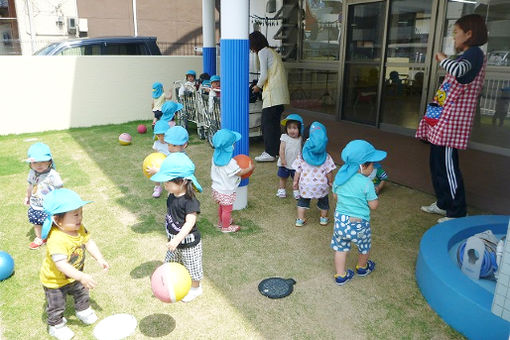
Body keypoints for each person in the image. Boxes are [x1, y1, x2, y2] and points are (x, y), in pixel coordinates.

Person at [416, 14, 487, 223]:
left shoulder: (474, 54)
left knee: (448, 167)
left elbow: (457, 71)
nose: (454, 37)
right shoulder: (466, 55)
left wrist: (442, 59)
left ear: (469, 34)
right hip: (442, 120)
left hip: (452, 123)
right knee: (437, 164)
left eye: (456, 32)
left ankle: (458, 211)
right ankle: (443, 202)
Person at [39, 189, 109, 339]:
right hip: (55, 281)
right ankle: (56, 325)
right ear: (58, 220)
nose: (80, 218)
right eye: (75, 215)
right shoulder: (57, 239)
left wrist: (99, 258)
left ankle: (83, 310)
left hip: (75, 275)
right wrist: (81, 276)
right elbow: (61, 265)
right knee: (57, 305)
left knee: (82, 293)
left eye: (81, 213)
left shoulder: (79, 228)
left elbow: (88, 242)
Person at [331, 140, 387, 286]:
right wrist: (374, 197)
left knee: (341, 248)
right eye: (372, 164)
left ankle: (341, 275)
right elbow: (373, 206)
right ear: (362, 166)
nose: (374, 167)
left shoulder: (340, 177)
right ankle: (362, 267)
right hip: (359, 224)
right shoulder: (366, 183)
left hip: (341, 221)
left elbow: (335, 197)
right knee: (364, 246)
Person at [150, 152, 204, 302]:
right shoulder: (172, 194)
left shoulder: (190, 201)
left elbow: (190, 223)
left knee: (192, 268)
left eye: (168, 181)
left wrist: (178, 239)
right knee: (170, 264)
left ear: (182, 182)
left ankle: (195, 288)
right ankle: (170, 284)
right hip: (174, 240)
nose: (165, 184)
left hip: (188, 243)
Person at [249, 31, 290, 162]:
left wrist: (258, 87)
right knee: (274, 125)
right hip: (280, 95)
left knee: (267, 125)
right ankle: (276, 151)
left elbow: (264, 74)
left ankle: (269, 152)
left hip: (272, 94)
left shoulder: (262, 52)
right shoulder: (272, 52)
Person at [292, 122, 336, 227]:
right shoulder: (327, 157)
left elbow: (297, 171)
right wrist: (330, 181)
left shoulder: (302, 156)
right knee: (324, 201)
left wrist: (295, 182)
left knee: (303, 201)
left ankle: (300, 219)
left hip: (305, 185)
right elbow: (329, 172)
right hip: (321, 186)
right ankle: (324, 218)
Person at [210, 129, 255, 233]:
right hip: (226, 191)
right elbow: (240, 172)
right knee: (227, 210)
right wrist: (250, 168)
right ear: (229, 147)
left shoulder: (215, 157)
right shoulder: (230, 163)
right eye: (233, 143)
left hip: (217, 189)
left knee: (222, 206)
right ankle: (226, 227)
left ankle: (221, 222)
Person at [24, 142, 64, 249]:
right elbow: (30, 186)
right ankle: (40, 237)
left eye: (43, 161)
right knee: (37, 222)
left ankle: (57, 236)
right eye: (35, 162)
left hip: (50, 205)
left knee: (54, 221)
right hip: (36, 204)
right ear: (31, 164)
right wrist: (27, 197)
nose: (39, 165)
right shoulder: (32, 172)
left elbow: (60, 188)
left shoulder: (52, 174)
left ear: (49, 161)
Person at [276, 114, 303, 199]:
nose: (292, 130)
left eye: (294, 128)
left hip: (296, 164)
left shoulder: (301, 139)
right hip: (285, 163)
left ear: (300, 129)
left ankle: (296, 190)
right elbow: (282, 150)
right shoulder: (284, 137)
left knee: (297, 179)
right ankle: (281, 190)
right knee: (283, 177)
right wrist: (283, 159)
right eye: (289, 128)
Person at [150, 120, 171, 198]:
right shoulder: (156, 144)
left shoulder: (171, 143)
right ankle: (158, 187)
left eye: (164, 135)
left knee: (168, 177)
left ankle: (170, 190)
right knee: (156, 173)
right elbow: (155, 155)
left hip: (169, 163)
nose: (161, 138)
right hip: (159, 163)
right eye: (159, 136)